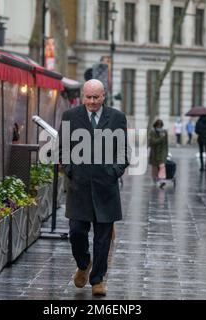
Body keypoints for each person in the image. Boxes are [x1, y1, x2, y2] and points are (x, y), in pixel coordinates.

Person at [58, 79, 129, 297]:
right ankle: (83, 263)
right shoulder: (70, 116)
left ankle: (98, 279)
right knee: (76, 232)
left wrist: (114, 171)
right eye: (88, 97)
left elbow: (123, 151)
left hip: (106, 188)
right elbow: (62, 149)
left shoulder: (117, 118)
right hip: (79, 187)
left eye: (95, 97)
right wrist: (70, 170)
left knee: (103, 238)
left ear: (103, 96)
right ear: (82, 96)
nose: (91, 101)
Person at [148, 119, 168, 188]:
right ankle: (155, 179)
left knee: (162, 166)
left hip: (162, 153)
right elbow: (153, 142)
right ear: (155, 126)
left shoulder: (164, 132)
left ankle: (162, 180)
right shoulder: (152, 132)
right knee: (154, 168)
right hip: (154, 153)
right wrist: (161, 138)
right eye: (158, 126)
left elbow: (166, 144)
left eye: (160, 126)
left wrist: (166, 153)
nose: (159, 127)